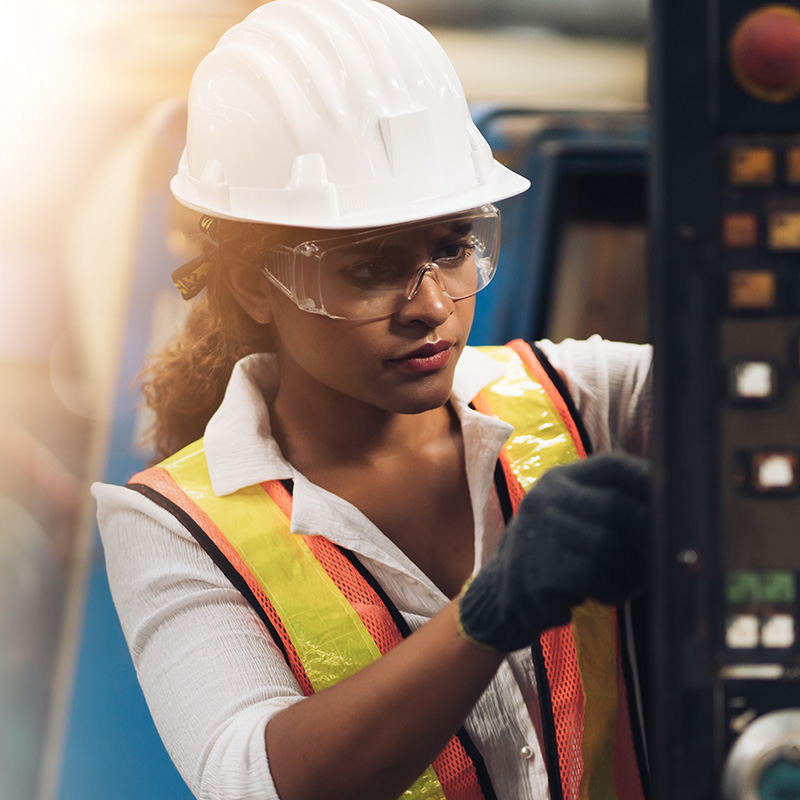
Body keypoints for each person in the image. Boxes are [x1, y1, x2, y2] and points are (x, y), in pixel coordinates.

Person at [93, 1, 653, 799]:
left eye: (452, 247)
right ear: (257, 282)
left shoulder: (587, 398)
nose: (429, 305)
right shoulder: (173, 525)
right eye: (368, 267)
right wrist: (486, 615)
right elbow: (255, 778)